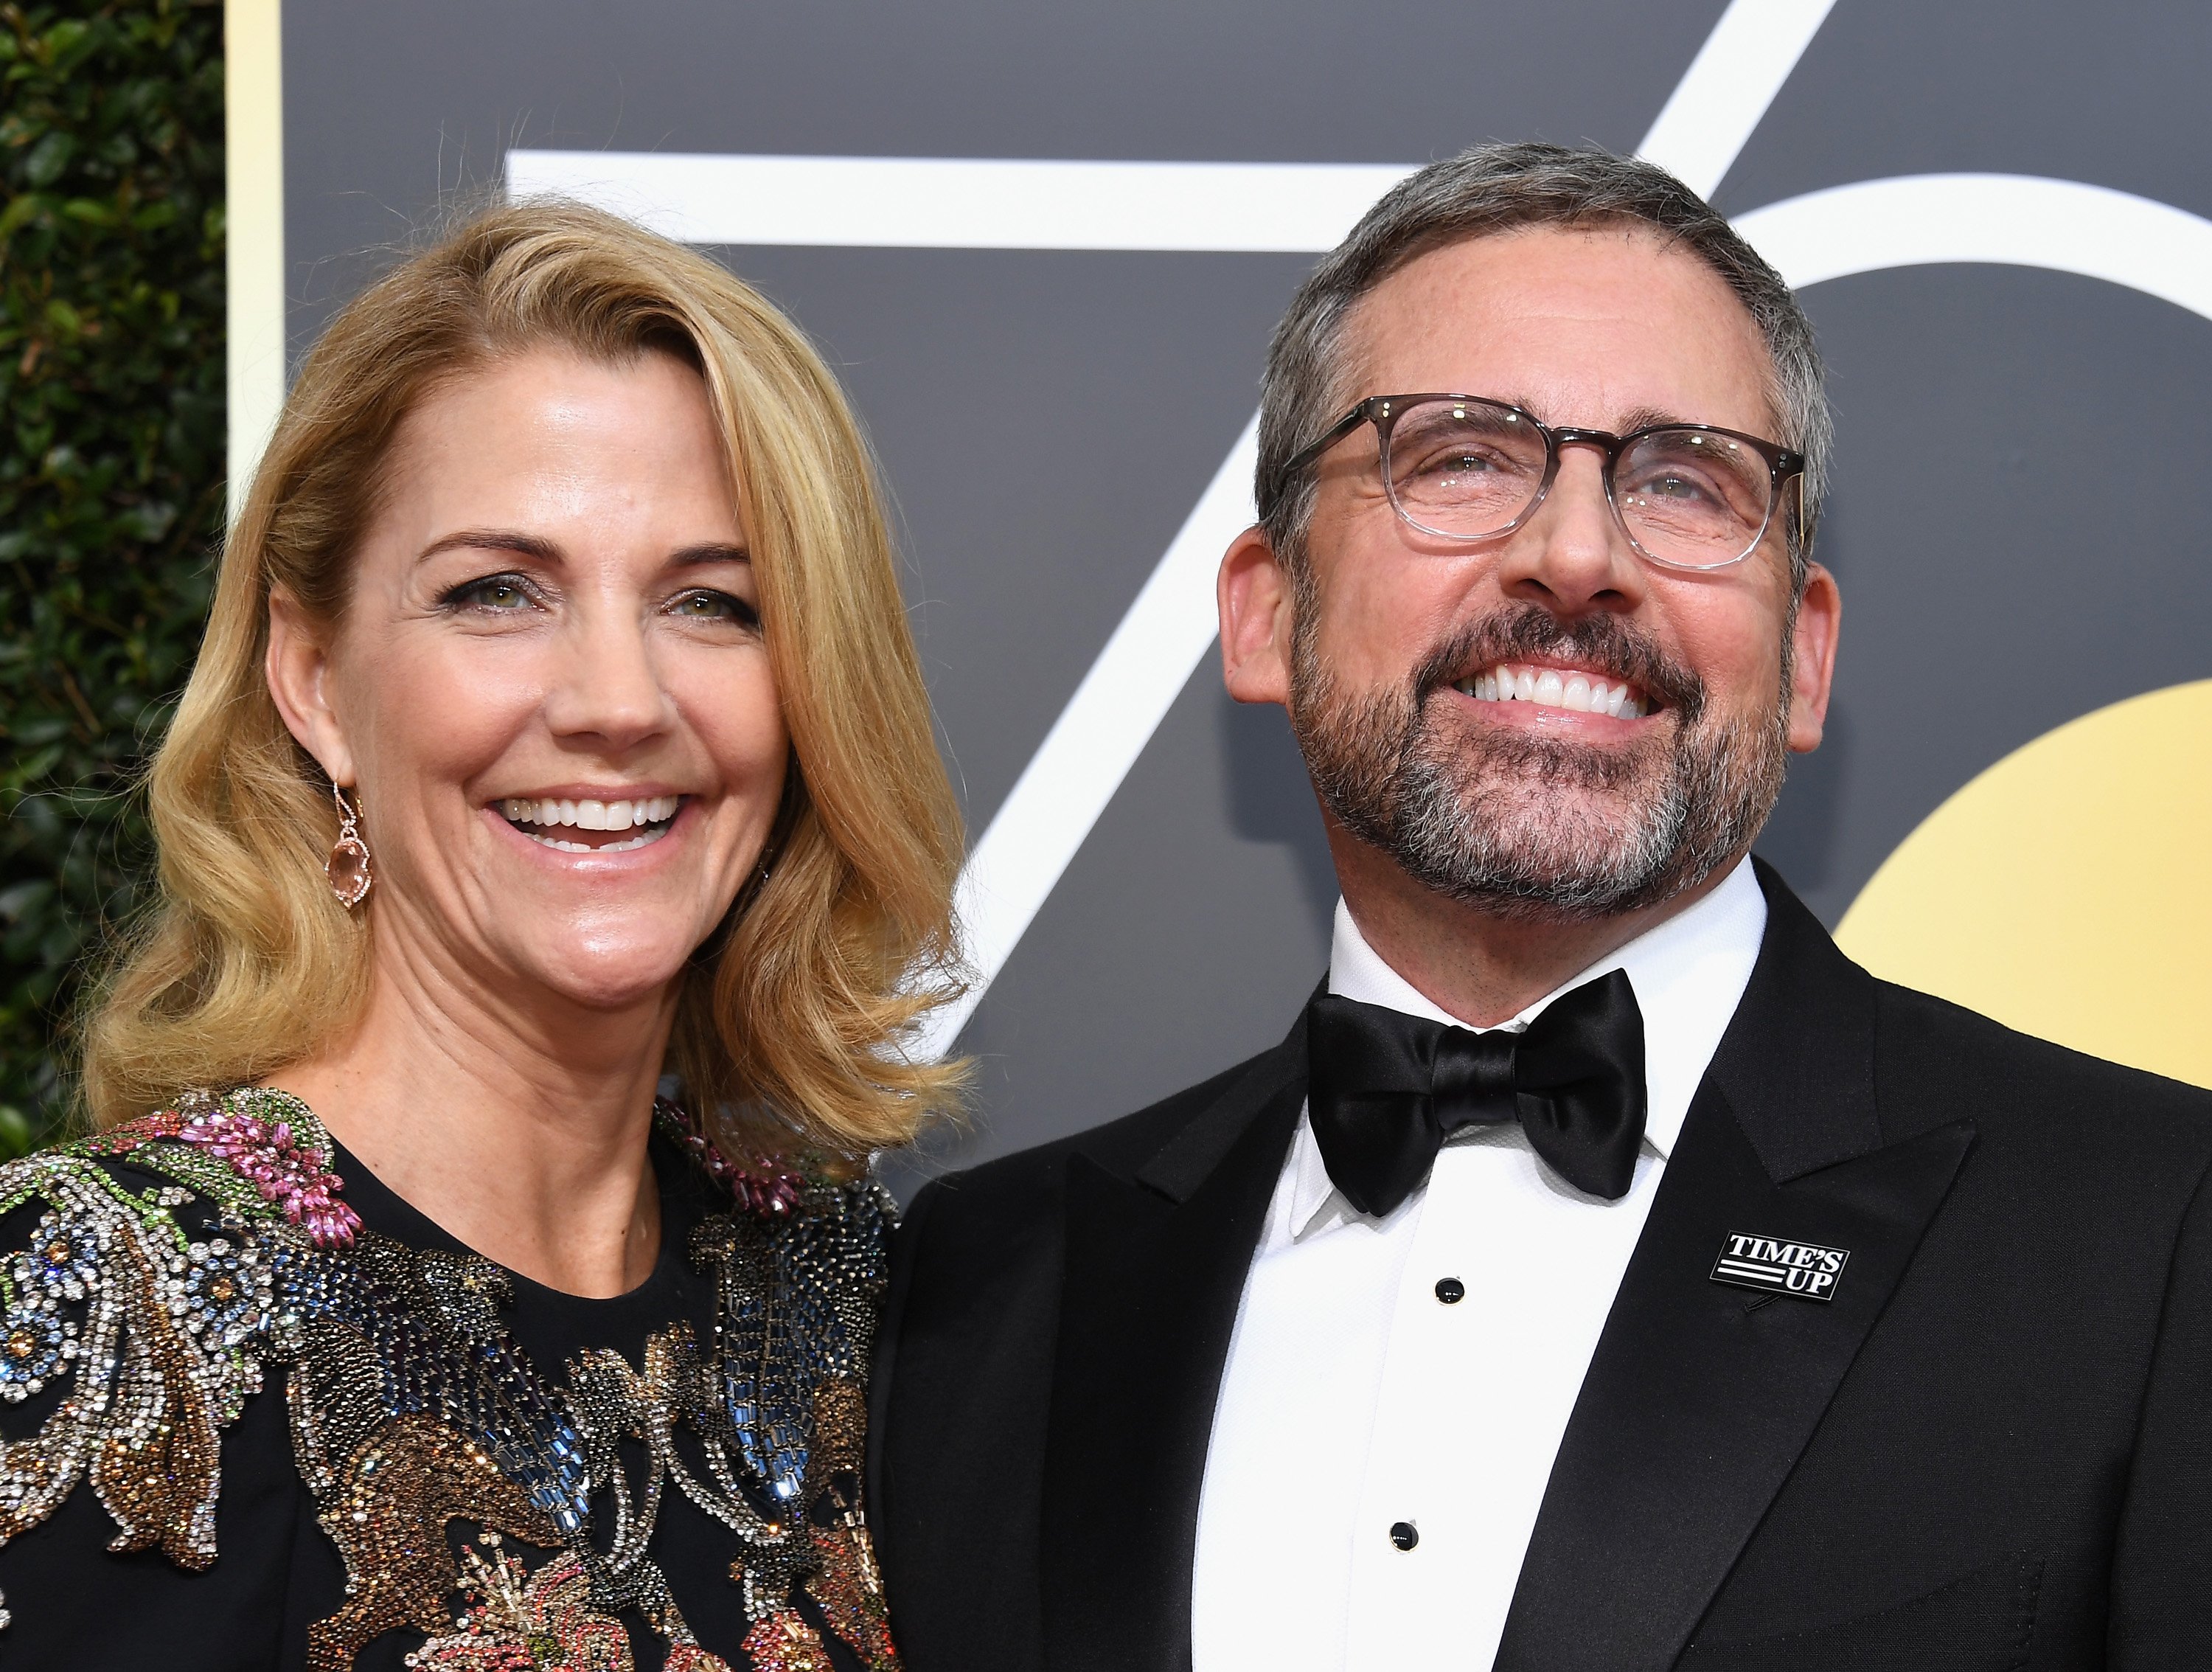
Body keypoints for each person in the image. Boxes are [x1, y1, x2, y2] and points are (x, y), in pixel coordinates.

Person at [869, 142, 2212, 1671]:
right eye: (1459, 457)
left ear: (1807, 661)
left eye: (1686, 481)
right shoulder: (983, 1291)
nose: (1576, 555)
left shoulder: (2156, 1239)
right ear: (1265, 611)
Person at [0, 200, 962, 1670]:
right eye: (497, 593)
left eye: (712, 602)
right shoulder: (92, 1302)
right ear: (316, 682)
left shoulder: (862, 1305)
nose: (617, 700)